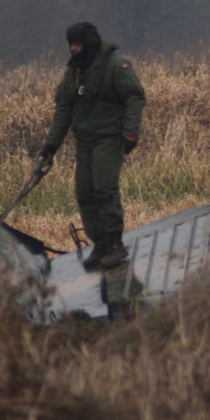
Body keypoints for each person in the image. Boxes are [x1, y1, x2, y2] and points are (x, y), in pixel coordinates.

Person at [36, 22, 146, 271]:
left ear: (89, 43)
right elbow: (64, 108)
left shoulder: (116, 65)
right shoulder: (74, 71)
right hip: (84, 141)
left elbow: (135, 97)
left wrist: (130, 134)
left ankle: (114, 243)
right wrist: (50, 146)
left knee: (104, 189)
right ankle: (100, 243)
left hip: (109, 137)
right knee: (85, 192)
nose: (73, 49)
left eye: (78, 44)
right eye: (71, 45)